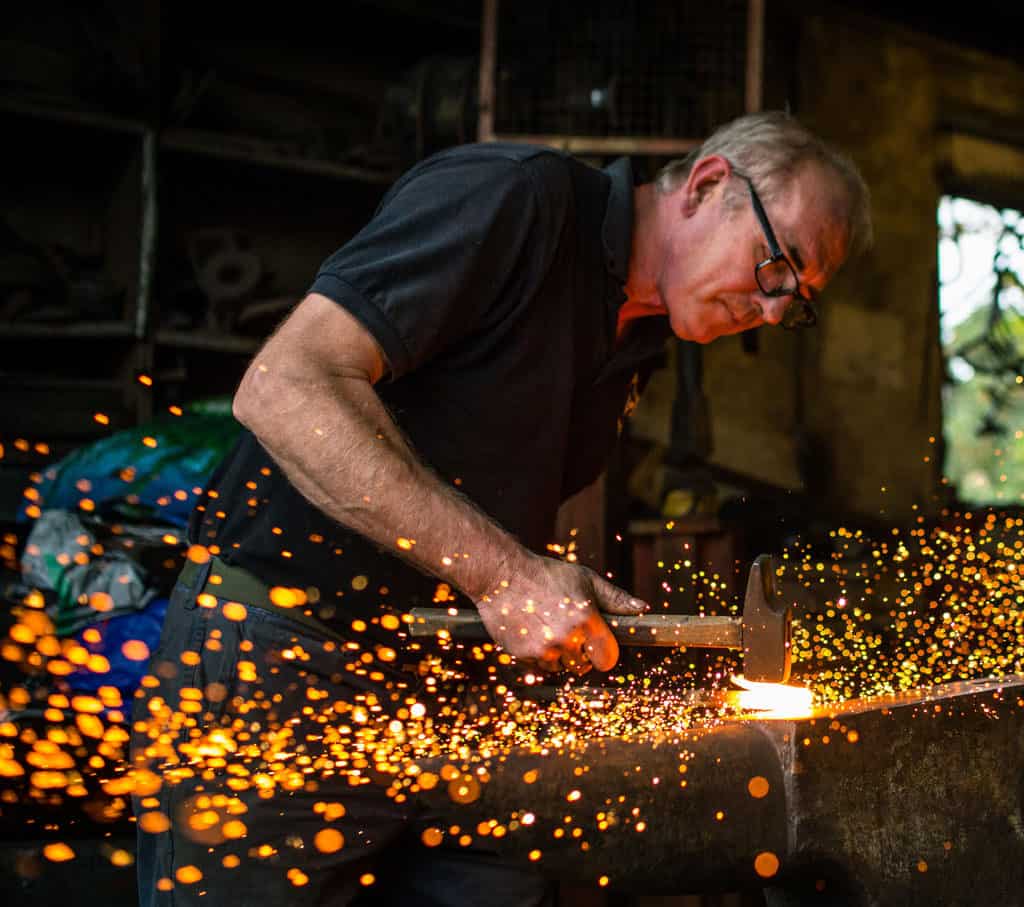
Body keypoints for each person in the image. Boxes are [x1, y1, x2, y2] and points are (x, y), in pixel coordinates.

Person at [128, 110, 872, 905]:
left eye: (793, 302)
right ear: (709, 185)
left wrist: (562, 594)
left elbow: (503, 514)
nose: (767, 311)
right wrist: (506, 577)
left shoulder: (638, 341)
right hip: (283, 660)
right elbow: (285, 388)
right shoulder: (516, 201)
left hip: (445, 693)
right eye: (774, 265)